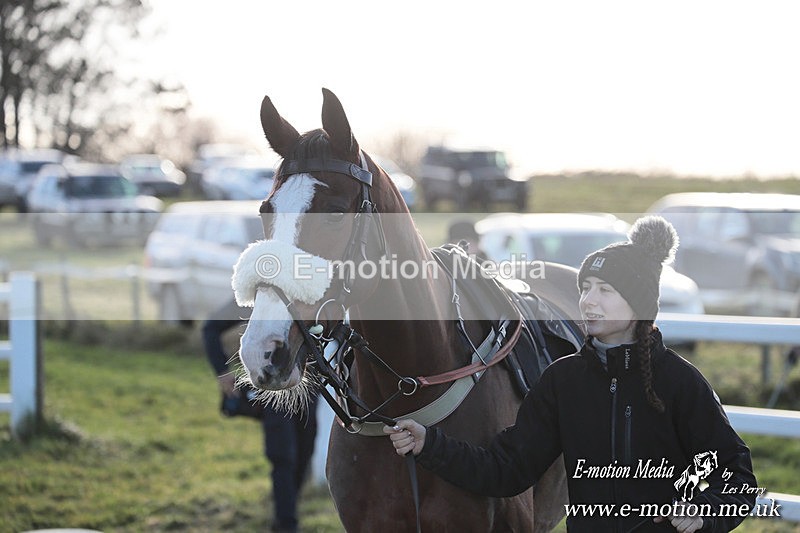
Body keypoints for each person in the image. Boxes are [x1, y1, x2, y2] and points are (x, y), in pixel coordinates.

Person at [386, 216, 757, 532]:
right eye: (585, 289)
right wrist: (430, 444)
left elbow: (739, 480)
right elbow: (508, 470)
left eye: (605, 290)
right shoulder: (562, 381)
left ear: (640, 302)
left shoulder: (679, 382)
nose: (588, 301)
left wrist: (704, 511)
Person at [203, 298, 319, 533]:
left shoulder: (308, 295)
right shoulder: (263, 296)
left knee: (305, 450)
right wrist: (222, 373)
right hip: (272, 387)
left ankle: (284, 514)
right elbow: (210, 328)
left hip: (307, 388)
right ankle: (287, 524)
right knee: (283, 455)